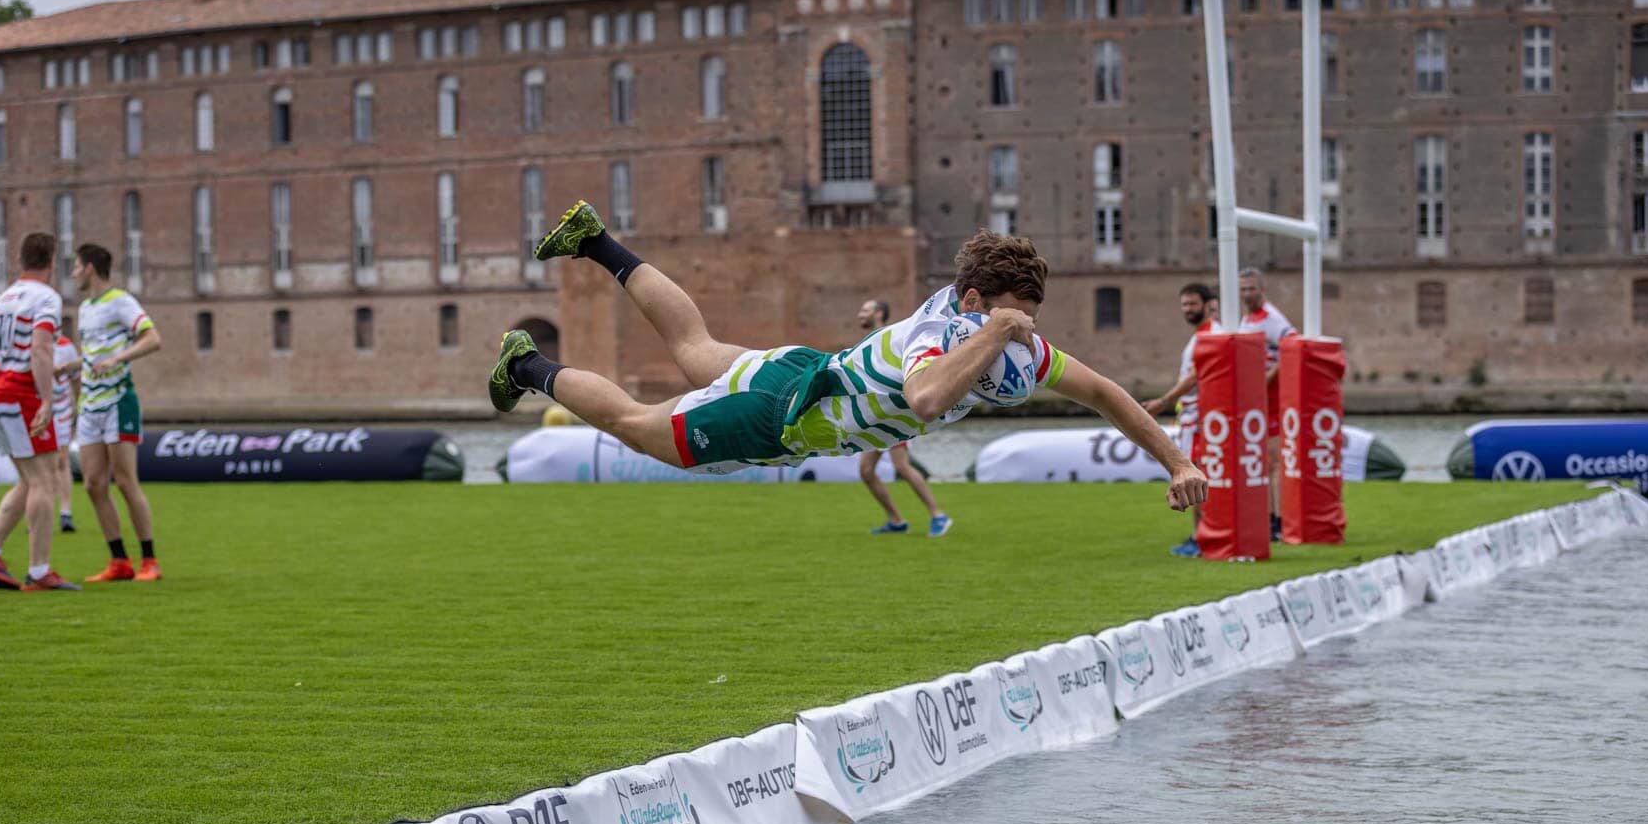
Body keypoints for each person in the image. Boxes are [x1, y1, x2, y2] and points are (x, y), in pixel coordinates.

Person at [488, 201, 1207, 513]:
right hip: (782, 413)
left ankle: (593, 241)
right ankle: (528, 368)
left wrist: (1176, 461)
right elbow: (926, 398)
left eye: (1031, 319)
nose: (1026, 328)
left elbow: (1106, 391)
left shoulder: (998, 336)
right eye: (1016, 312)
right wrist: (997, 333)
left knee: (694, 347)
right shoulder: (947, 336)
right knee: (643, 431)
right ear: (980, 299)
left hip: (804, 373)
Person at [0, 232, 81, 591]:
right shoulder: (46, 298)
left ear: (20, 259)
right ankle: (40, 570)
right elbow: (41, 350)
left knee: (29, 479)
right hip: (21, 394)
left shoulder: (1, 300)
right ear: (51, 261)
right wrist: (46, 399)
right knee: (45, 480)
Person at [72, 244, 164, 582]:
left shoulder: (121, 301)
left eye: (76, 267)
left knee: (125, 482)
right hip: (90, 405)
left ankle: (150, 560)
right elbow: (93, 354)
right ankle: (119, 561)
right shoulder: (84, 308)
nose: (73, 274)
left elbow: (153, 339)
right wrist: (70, 367)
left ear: (91, 268)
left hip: (118, 401)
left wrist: (119, 358)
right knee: (94, 484)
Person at [853, 298, 951, 537]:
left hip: (894, 413)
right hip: (876, 415)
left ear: (878, 313)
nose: (859, 315)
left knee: (901, 466)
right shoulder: (871, 341)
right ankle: (896, 520)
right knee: (866, 471)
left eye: (865, 310)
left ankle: (938, 515)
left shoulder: (893, 337)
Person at [1143, 283, 1215, 557]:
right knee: (1195, 476)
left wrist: (1164, 401)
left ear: (1208, 304)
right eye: (1184, 305)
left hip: (1200, 421)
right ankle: (1200, 537)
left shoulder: (1210, 335)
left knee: (1194, 476)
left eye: (1192, 304)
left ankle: (1201, 539)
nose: (1187, 310)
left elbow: (1195, 376)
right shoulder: (1200, 336)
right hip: (1191, 419)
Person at [1238, 267, 1298, 541]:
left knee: (1273, 461)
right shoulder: (1247, 318)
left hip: (1271, 400)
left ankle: (1279, 521)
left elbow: (1293, 345)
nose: (1247, 293)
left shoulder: (1271, 318)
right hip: (1253, 401)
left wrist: (1267, 378)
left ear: (1262, 290)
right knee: (1261, 461)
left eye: (1251, 288)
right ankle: (1269, 518)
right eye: (1243, 289)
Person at [52, 327, 82, 533]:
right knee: (38, 465)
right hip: (34, 407)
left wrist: (80, 405)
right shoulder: (29, 343)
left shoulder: (65, 346)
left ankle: (65, 513)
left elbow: (75, 378)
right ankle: (35, 515)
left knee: (62, 460)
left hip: (60, 407)